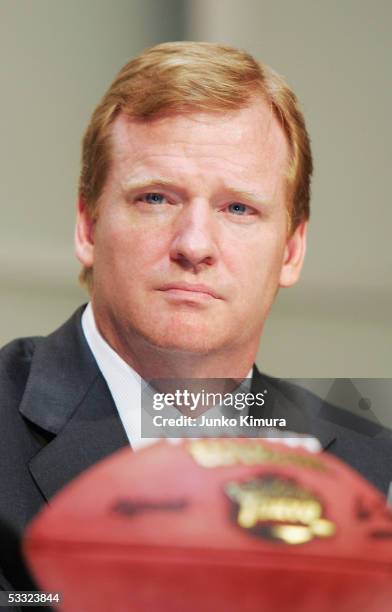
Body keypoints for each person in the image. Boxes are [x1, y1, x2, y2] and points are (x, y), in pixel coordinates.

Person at [1, 42, 392, 590]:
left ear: (291, 251)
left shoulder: (373, 476)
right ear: (88, 226)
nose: (194, 245)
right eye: (157, 198)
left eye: (238, 208)